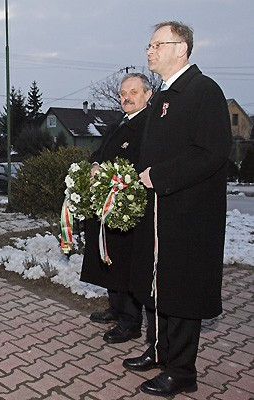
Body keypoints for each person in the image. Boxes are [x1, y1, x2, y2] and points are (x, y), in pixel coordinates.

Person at [124, 21, 232, 397]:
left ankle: (182, 370)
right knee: (157, 284)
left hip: (188, 214)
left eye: (158, 44)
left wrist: (160, 176)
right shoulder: (162, 97)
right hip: (159, 211)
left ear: (181, 48)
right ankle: (159, 350)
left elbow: (212, 151)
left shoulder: (204, 90)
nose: (149, 50)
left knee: (182, 290)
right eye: (149, 44)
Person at [80, 73, 152, 343]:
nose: (126, 97)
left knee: (128, 264)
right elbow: (100, 153)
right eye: (123, 93)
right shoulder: (117, 124)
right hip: (107, 204)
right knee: (109, 257)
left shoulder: (149, 125)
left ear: (148, 95)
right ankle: (115, 307)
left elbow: (143, 162)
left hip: (128, 205)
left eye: (133, 92)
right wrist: (94, 165)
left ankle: (130, 321)